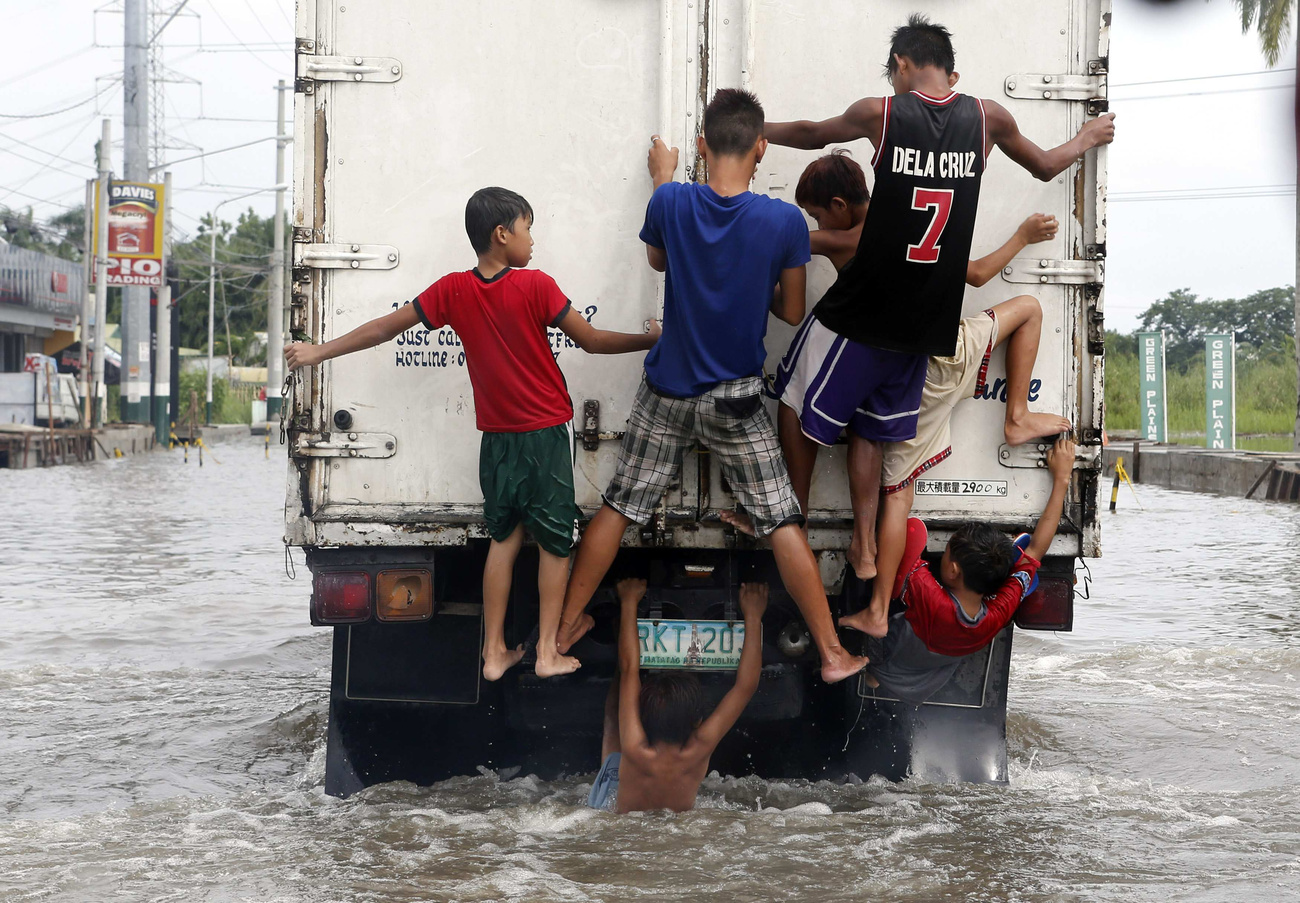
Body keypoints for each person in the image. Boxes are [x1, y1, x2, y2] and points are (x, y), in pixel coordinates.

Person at [764, 14, 1113, 636]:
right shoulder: (989, 119)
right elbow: (1043, 166)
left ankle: (787, 521)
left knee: (795, 400)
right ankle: (867, 553)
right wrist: (1086, 137)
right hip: (927, 325)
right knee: (876, 439)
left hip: (869, 313)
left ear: (901, 64)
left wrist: (746, 132)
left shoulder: (883, 114)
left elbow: (815, 133)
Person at [554, 88, 867, 684]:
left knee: (620, 506)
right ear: (761, 147)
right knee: (781, 521)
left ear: (702, 145)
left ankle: (566, 627)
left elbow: (658, 262)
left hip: (667, 391)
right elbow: (794, 311)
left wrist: (662, 177)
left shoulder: (671, 201)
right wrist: (754, 284)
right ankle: (831, 654)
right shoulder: (782, 222)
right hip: (738, 400)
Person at [283, 187, 659, 681]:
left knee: (502, 540)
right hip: (544, 435)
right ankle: (546, 651)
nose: (533, 240)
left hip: (497, 439)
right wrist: (651, 339)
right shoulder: (536, 286)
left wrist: (318, 352)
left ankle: (494, 653)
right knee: (553, 545)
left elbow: (383, 329)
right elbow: (591, 341)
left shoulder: (453, 290)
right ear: (503, 235)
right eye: (528, 229)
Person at [754, 151, 1070, 617]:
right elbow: (979, 273)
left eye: (820, 213)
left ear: (840, 206)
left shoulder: (849, 239)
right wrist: (1022, 236)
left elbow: (789, 237)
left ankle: (821, 539)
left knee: (843, 439)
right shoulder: (911, 225)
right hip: (940, 356)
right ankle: (1017, 416)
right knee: (881, 452)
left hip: (905, 373)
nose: (818, 222)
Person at [863, 437, 1075, 704]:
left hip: (891, 661)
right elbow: (1035, 551)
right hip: (927, 678)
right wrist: (1062, 479)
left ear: (952, 570)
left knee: (872, 586)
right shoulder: (998, 613)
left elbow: (900, 549)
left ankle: (871, 673)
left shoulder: (930, 596)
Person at [587, 578, 766, 813]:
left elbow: (630, 667)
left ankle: (621, 630)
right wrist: (753, 616)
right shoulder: (699, 748)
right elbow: (746, 686)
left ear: (643, 719)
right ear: (697, 721)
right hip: (672, 824)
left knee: (613, 722)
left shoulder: (634, 747)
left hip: (618, 816)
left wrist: (629, 602)